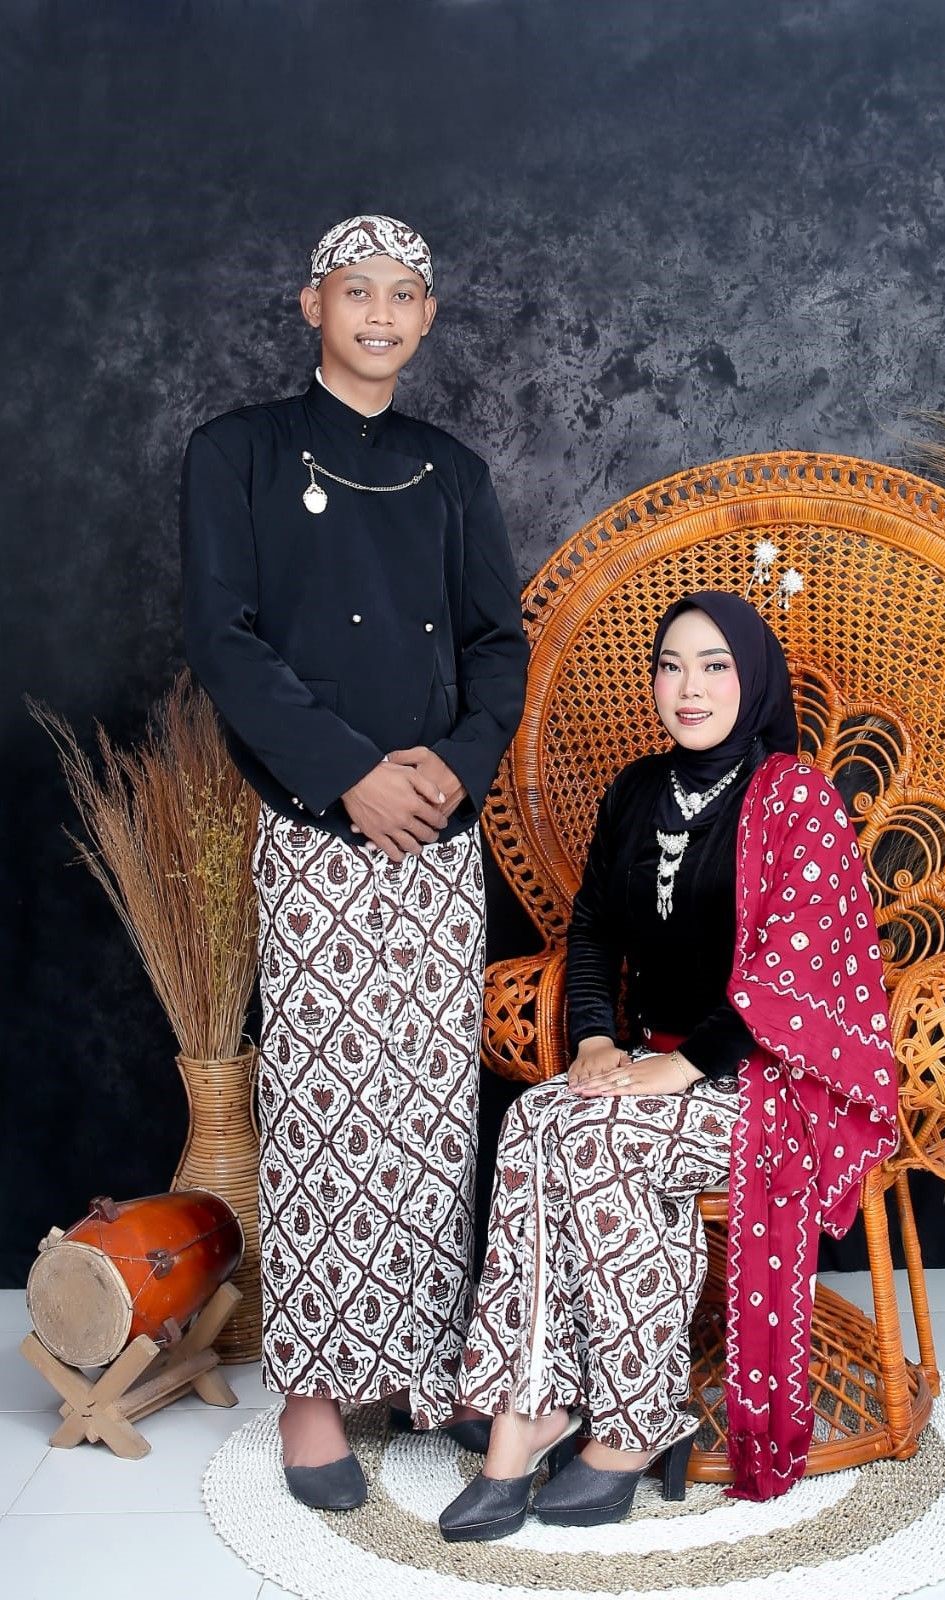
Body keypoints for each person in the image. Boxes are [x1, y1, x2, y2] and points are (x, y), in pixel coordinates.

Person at [180, 214, 528, 1511]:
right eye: (354, 291)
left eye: (402, 295)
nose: (378, 314)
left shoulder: (452, 471)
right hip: (319, 830)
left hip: (438, 834)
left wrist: (454, 766)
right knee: (326, 1112)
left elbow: (496, 643)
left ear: (426, 317)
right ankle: (316, 1394)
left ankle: (426, 1371)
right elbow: (225, 639)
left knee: (430, 1117)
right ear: (311, 305)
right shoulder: (238, 453)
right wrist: (348, 773)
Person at [438, 591, 897, 1541]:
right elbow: (594, 929)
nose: (689, 687)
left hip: (766, 1083)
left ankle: (627, 1424)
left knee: (597, 1140)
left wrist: (687, 1065)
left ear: (751, 678)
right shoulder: (638, 789)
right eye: (671, 665)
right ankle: (532, 1412)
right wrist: (594, 1038)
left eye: (714, 665)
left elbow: (793, 973)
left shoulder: (794, 797)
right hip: (650, 1062)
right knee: (534, 1120)